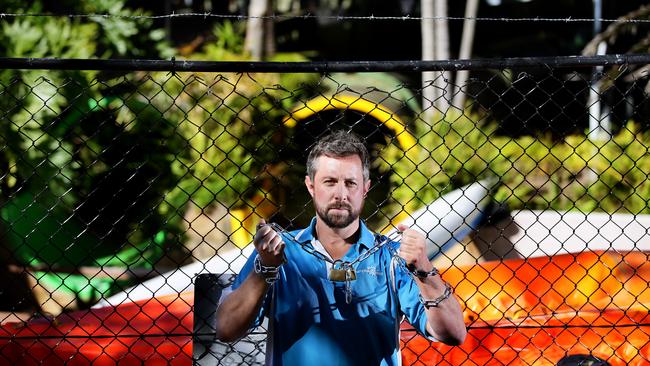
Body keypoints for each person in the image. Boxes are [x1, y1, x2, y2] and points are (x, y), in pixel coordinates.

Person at [215, 130, 466, 365]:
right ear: (311, 186)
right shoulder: (278, 250)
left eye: (350, 183)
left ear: (365, 188)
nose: (340, 194)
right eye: (330, 182)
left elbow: (453, 333)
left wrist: (424, 270)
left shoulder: (391, 256)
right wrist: (265, 270)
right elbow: (225, 329)